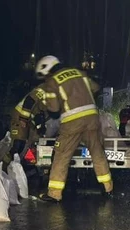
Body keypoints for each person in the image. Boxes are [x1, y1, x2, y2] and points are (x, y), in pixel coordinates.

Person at [35, 55, 113, 202]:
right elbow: (96, 88)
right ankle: (107, 187)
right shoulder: (79, 73)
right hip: (92, 118)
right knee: (97, 152)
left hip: (72, 122)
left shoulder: (52, 81)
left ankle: (54, 194)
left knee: (61, 154)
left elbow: (53, 109)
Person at [7, 84, 48, 162]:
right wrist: (23, 118)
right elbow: (30, 100)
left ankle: (25, 167)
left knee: (34, 144)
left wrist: (41, 127)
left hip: (32, 120)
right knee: (18, 145)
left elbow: (41, 114)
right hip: (21, 115)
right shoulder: (44, 89)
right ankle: (6, 167)